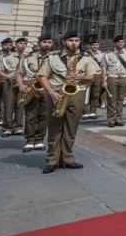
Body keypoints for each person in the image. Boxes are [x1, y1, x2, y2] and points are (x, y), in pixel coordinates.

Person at [38, 31, 100, 174]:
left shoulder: (86, 58)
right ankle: (52, 160)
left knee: (71, 128)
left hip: (77, 94)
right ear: (64, 42)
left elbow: (91, 78)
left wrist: (80, 77)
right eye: (71, 40)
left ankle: (67, 158)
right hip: (57, 94)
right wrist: (51, 92)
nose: (74, 43)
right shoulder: (53, 57)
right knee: (55, 129)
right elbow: (42, 76)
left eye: (76, 40)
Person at [17, 34, 52, 152]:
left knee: (44, 115)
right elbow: (19, 73)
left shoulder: (54, 58)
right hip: (31, 88)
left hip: (47, 89)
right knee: (30, 115)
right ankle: (29, 140)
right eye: (44, 42)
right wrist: (21, 85)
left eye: (49, 42)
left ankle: (39, 140)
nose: (46, 44)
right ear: (39, 43)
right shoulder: (28, 58)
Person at [0, 37, 28, 137]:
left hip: (23, 84)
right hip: (10, 83)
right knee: (8, 106)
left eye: (25, 43)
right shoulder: (8, 57)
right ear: (15, 45)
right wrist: (8, 77)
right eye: (21, 43)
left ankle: (18, 127)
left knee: (20, 106)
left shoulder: (28, 57)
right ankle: (7, 128)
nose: (23, 45)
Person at [102, 35, 126, 127]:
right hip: (112, 77)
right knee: (111, 99)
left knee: (120, 99)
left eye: (122, 42)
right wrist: (104, 80)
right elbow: (104, 67)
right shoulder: (108, 54)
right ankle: (111, 119)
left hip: (123, 78)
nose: (121, 44)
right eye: (119, 42)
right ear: (115, 43)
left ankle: (119, 118)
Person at [82, 38, 105, 120]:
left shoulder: (102, 54)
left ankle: (93, 111)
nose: (95, 46)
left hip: (98, 74)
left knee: (95, 94)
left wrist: (104, 78)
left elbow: (103, 67)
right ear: (90, 46)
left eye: (97, 45)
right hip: (88, 75)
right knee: (86, 93)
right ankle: (85, 112)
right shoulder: (85, 54)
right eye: (93, 45)